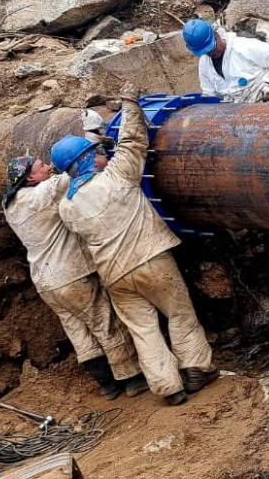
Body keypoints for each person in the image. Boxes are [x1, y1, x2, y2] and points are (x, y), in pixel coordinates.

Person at [52, 97, 219, 406]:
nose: (103, 153)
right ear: (87, 159)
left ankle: (169, 388)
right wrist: (130, 104)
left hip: (115, 277)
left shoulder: (66, 207)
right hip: (151, 259)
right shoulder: (116, 177)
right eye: (97, 151)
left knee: (143, 331)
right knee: (179, 313)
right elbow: (132, 141)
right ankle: (196, 367)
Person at [2, 155, 147, 400]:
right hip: (70, 275)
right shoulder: (42, 193)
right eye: (41, 166)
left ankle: (109, 386)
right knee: (105, 322)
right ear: (30, 177)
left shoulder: (10, 205)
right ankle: (132, 379)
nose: (48, 166)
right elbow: (74, 170)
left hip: (45, 282)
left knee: (79, 333)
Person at [183, 18, 269, 103]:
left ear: (217, 35)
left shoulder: (244, 46)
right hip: (240, 115)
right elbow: (209, 94)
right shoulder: (204, 64)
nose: (210, 54)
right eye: (205, 52)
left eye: (212, 48)